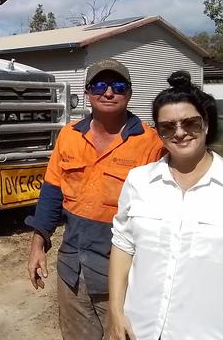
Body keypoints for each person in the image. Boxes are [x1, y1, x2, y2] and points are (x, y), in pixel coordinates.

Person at [25, 59, 165, 339]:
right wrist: (37, 245)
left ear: (130, 92)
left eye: (118, 85)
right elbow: (51, 194)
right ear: (88, 92)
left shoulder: (151, 143)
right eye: (100, 85)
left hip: (123, 281)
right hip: (72, 272)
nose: (109, 92)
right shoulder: (69, 136)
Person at [108, 71, 222, 340]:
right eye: (167, 127)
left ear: (206, 123)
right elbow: (123, 247)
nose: (180, 133)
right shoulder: (139, 181)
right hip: (139, 329)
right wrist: (115, 313)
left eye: (190, 123)